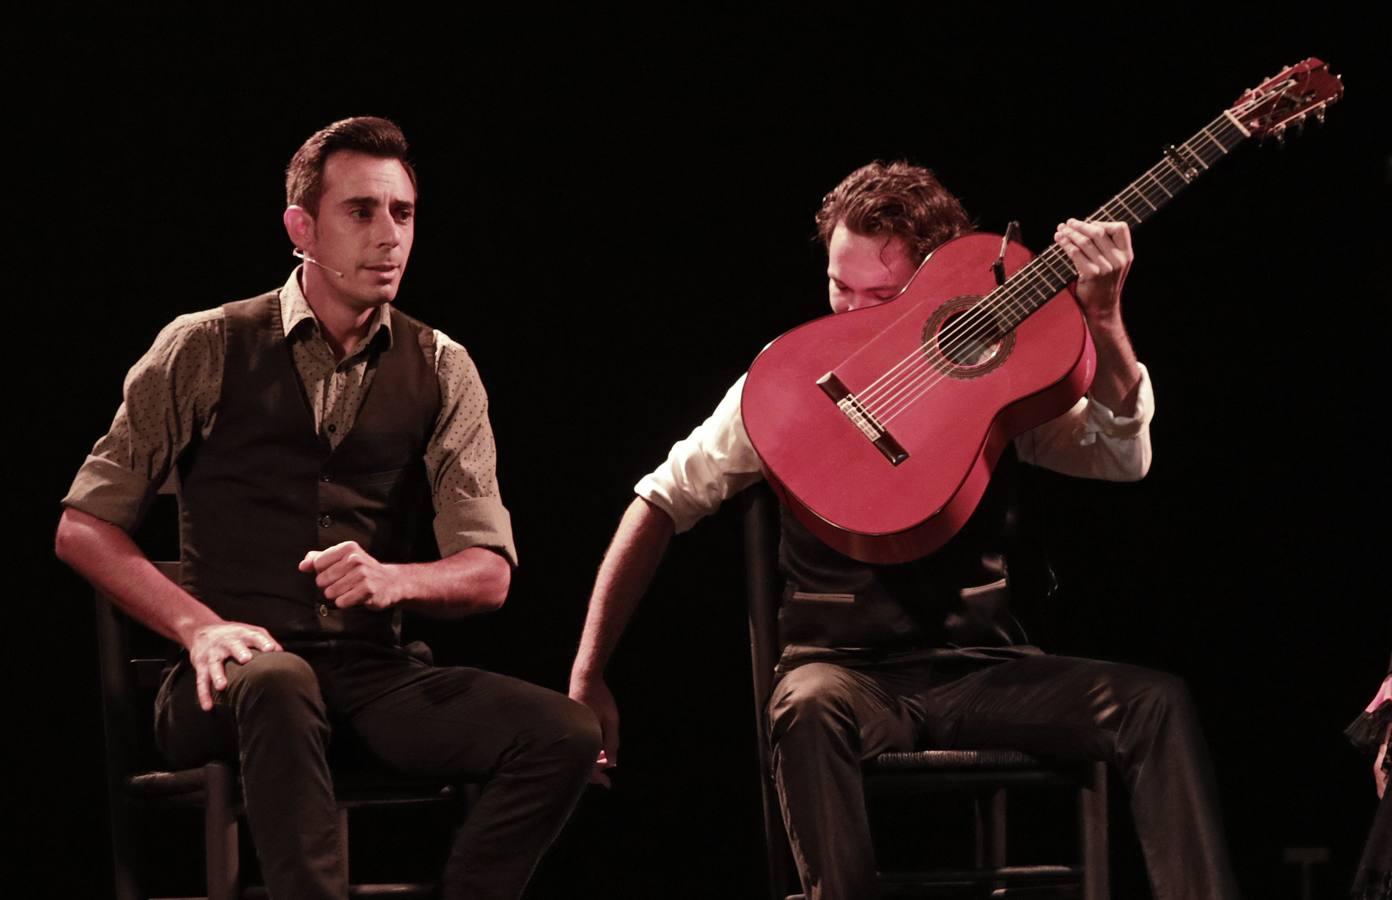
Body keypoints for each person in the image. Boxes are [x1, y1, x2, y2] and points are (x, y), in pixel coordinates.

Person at [568, 161, 1240, 899]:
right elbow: (659, 501)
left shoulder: (1000, 381)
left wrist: (1105, 318)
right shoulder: (787, 380)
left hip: (987, 671)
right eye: (839, 286)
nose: (853, 310)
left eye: (880, 295)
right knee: (805, 704)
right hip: (847, 673)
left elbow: (1123, 454)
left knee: (1155, 703)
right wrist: (588, 674)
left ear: (931, 287)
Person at [55, 116, 600, 900]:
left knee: (562, 732)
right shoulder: (204, 345)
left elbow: (488, 574)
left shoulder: (443, 366)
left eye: (403, 214)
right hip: (231, 681)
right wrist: (196, 626)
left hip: (371, 676)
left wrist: (397, 581)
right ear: (301, 227)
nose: (389, 237)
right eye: (361, 212)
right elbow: (83, 526)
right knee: (278, 681)